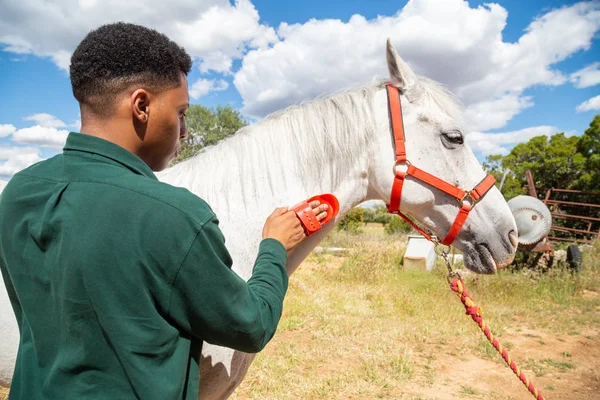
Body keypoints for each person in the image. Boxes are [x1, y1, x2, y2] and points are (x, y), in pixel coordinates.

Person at [0, 22, 328, 399]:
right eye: (182, 112)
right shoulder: (174, 216)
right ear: (141, 106)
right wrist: (273, 247)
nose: (185, 130)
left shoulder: (19, 191)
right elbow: (250, 326)